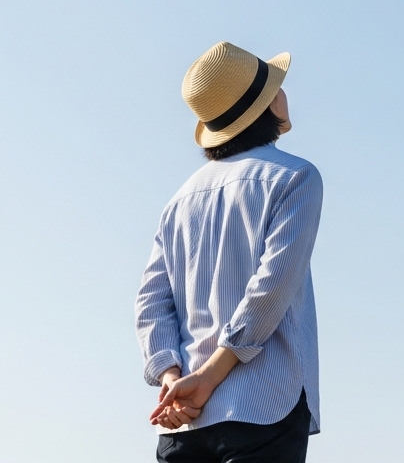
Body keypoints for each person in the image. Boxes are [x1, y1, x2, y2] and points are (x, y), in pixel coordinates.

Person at [136, 42, 323, 463]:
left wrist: (171, 376)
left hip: (184, 420)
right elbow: (270, 289)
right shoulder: (295, 177)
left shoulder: (179, 201)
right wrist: (208, 377)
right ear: (267, 105)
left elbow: (150, 302)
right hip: (263, 407)